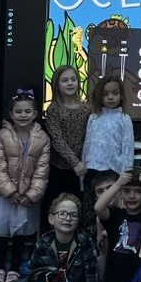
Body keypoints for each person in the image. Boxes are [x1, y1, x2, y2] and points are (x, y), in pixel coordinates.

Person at [0, 89, 50, 282]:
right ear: (11, 114)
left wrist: (31, 195)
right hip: (5, 195)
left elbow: (42, 170)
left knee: (21, 233)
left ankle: (14, 268)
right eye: (19, 112)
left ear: (35, 114)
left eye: (27, 112)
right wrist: (10, 191)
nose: (23, 115)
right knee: (2, 233)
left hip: (27, 196)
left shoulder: (43, 138)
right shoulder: (2, 135)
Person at [81, 76, 135, 236]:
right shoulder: (94, 117)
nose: (110, 97)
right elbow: (87, 145)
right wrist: (83, 171)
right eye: (105, 94)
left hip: (114, 175)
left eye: (115, 93)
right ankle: (91, 252)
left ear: (121, 95)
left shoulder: (124, 119)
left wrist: (125, 176)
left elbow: (127, 148)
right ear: (99, 96)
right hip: (91, 172)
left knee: (112, 215)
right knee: (90, 215)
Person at [95, 169, 141, 282]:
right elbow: (98, 208)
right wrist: (118, 184)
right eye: (126, 191)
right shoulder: (115, 215)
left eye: (138, 192)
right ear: (120, 194)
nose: (132, 196)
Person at [42, 64, 91, 224]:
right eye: (65, 80)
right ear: (57, 85)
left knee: (76, 210)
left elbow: (89, 137)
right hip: (59, 170)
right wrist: (74, 162)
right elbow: (57, 139)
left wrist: (82, 163)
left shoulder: (86, 109)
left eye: (73, 79)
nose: (70, 83)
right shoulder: (54, 109)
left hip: (82, 170)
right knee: (56, 209)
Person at [29, 193, 101, 282]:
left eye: (74, 215)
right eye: (62, 214)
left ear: (78, 220)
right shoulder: (42, 244)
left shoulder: (85, 243)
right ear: (51, 219)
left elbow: (92, 277)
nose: (68, 218)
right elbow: (35, 277)